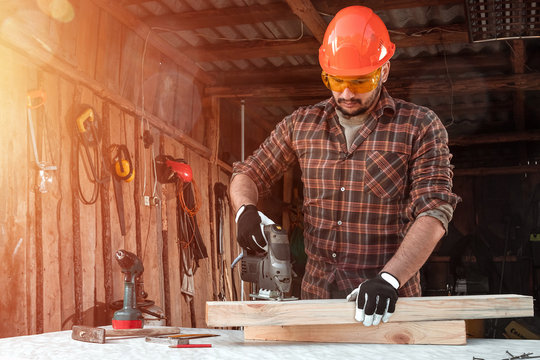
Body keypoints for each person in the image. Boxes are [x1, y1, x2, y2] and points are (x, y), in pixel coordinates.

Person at [229, 6, 460, 326]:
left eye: (360, 82)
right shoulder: (301, 124)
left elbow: (434, 211)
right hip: (318, 302)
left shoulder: (419, 126)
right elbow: (249, 172)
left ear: (385, 72)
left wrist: (390, 279)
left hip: (389, 308)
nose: (347, 93)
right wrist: (245, 210)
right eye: (337, 80)